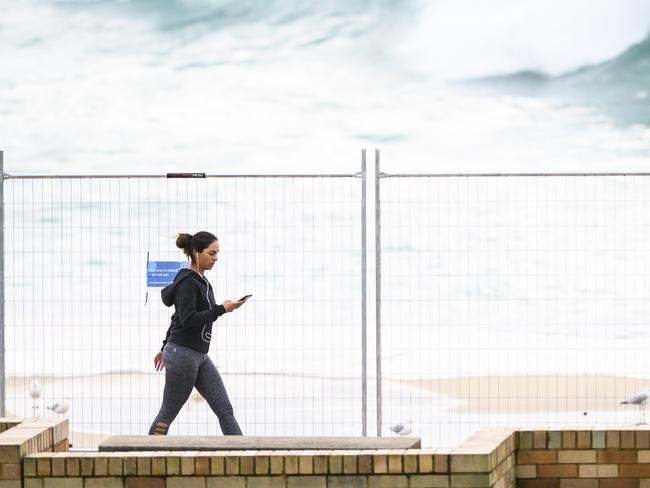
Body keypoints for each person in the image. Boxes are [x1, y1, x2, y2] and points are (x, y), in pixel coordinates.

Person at [149, 231, 247, 436]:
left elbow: (176, 317)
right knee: (167, 414)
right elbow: (187, 319)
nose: (215, 258)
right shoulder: (188, 282)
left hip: (199, 355)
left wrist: (164, 345)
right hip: (183, 354)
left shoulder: (202, 281)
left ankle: (243, 456)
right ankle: (145, 457)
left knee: (225, 410)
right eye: (211, 253)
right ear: (195, 253)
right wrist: (222, 309)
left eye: (217, 254)